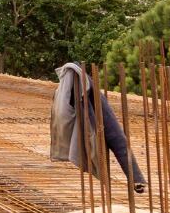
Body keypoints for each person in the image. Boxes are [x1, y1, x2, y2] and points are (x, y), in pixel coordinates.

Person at [51, 62, 146, 193]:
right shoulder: (72, 92)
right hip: (96, 126)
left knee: (117, 140)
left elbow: (117, 138)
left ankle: (136, 177)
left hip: (101, 125)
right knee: (117, 141)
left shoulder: (89, 94)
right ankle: (135, 177)